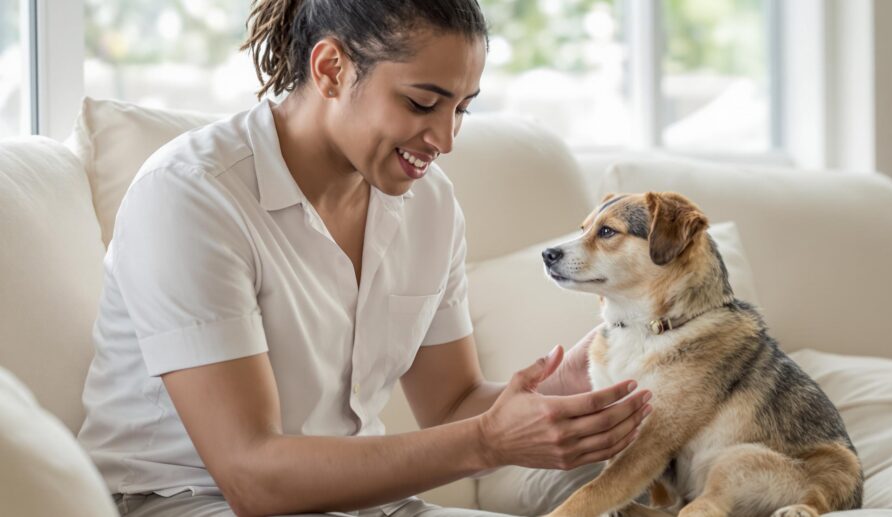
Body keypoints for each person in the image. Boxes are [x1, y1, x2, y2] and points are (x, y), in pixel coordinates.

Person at [77, 1, 654, 516]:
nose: (445, 139)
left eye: (461, 109)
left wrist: (575, 380)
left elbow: (452, 405)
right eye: (422, 102)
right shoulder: (192, 193)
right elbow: (250, 479)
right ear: (331, 69)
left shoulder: (428, 202)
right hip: (185, 500)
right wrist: (488, 441)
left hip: (363, 505)